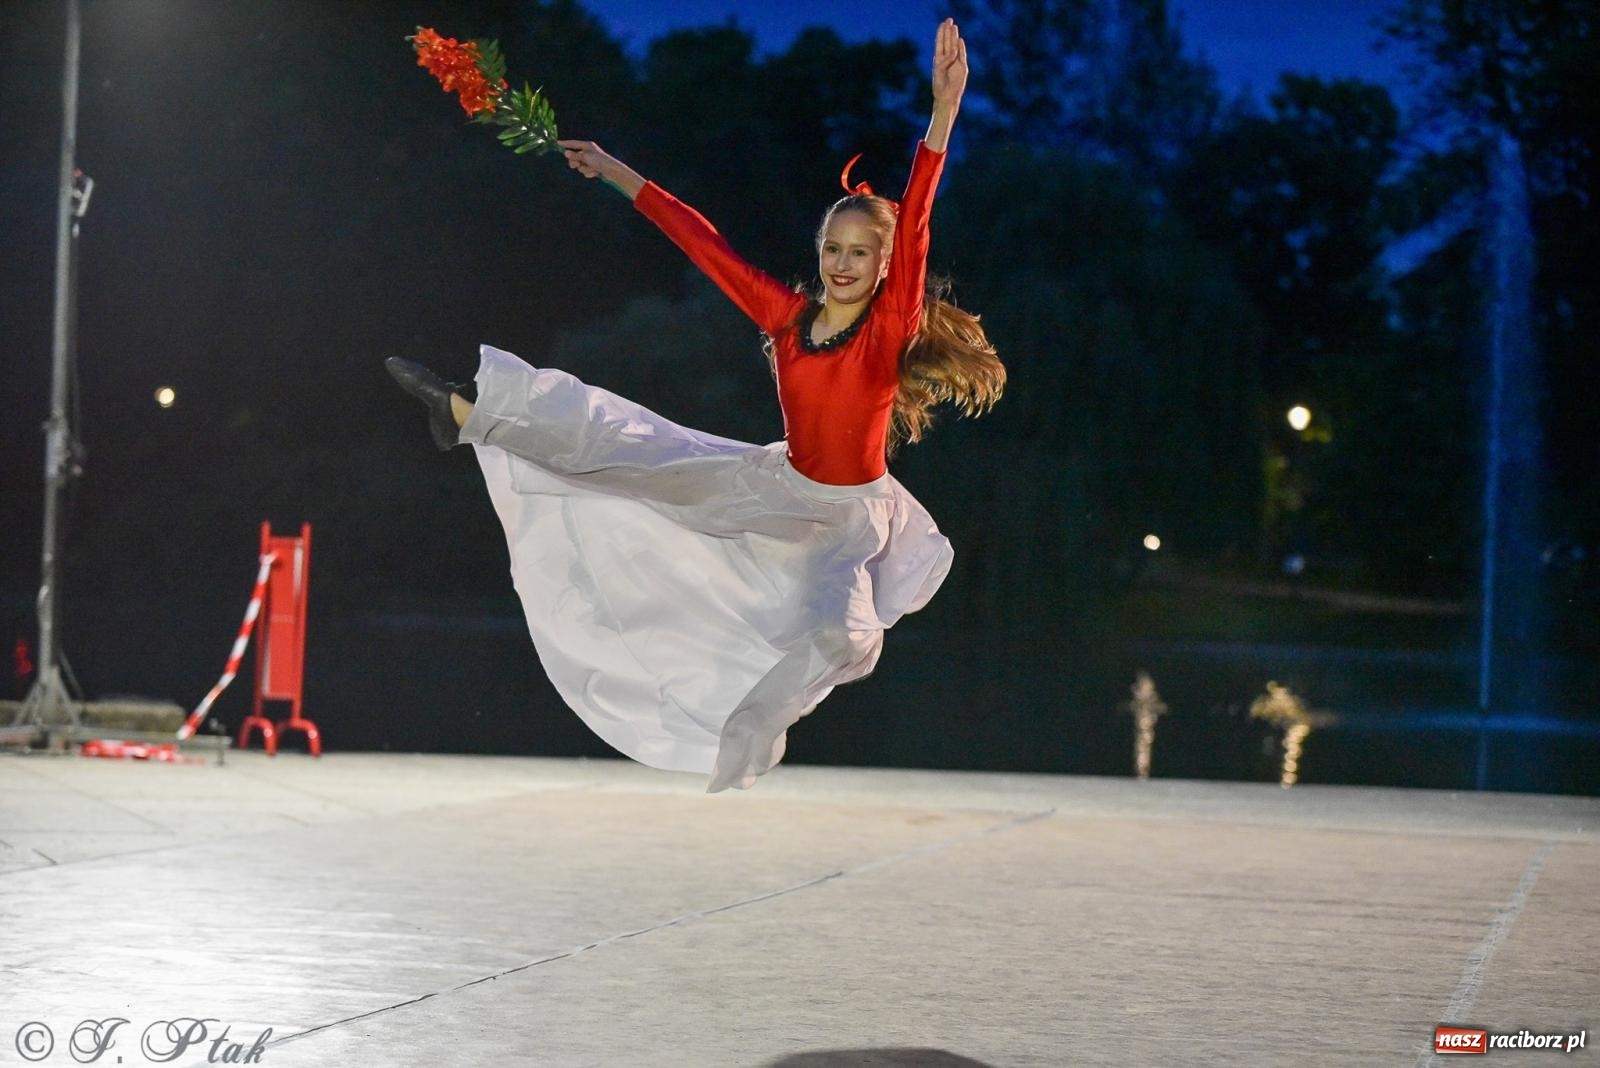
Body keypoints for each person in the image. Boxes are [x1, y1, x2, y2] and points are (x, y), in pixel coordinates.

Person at [387, 18, 1004, 792]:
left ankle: (748, 734)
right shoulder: (785, 319)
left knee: (840, 634)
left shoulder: (886, 331)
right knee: (630, 455)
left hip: (849, 522)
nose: (843, 264)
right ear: (820, 254)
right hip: (776, 487)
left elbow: (915, 220)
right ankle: (470, 416)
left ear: (882, 269)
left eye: (859, 254)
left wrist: (942, 114)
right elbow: (702, 241)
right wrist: (616, 171)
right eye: (833, 249)